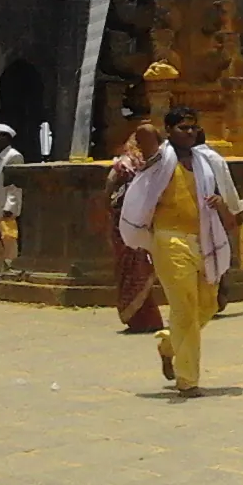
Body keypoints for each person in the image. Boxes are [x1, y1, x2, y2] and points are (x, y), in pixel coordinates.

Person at [116, 106, 242, 395]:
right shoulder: (160, 159)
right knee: (184, 308)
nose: (190, 132)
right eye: (182, 127)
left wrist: (221, 206)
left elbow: (230, 208)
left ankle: (168, 345)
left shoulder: (207, 163)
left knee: (208, 305)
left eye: (193, 127)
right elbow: (145, 132)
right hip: (169, 240)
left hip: (204, 239)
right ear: (169, 131)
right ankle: (188, 380)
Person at [103, 123, 165, 334]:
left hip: (137, 223)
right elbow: (109, 191)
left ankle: (143, 315)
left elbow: (107, 191)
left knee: (139, 268)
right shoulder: (129, 165)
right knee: (133, 267)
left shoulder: (152, 164)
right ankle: (139, 316)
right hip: (129, 223)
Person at [0, 125, 25, 273]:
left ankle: (11, 269)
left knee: (8, 240)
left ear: (6, 139)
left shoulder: (14, 156)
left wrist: (11, 206)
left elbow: (15, 184)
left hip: (5, 207)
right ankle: (2, 269)